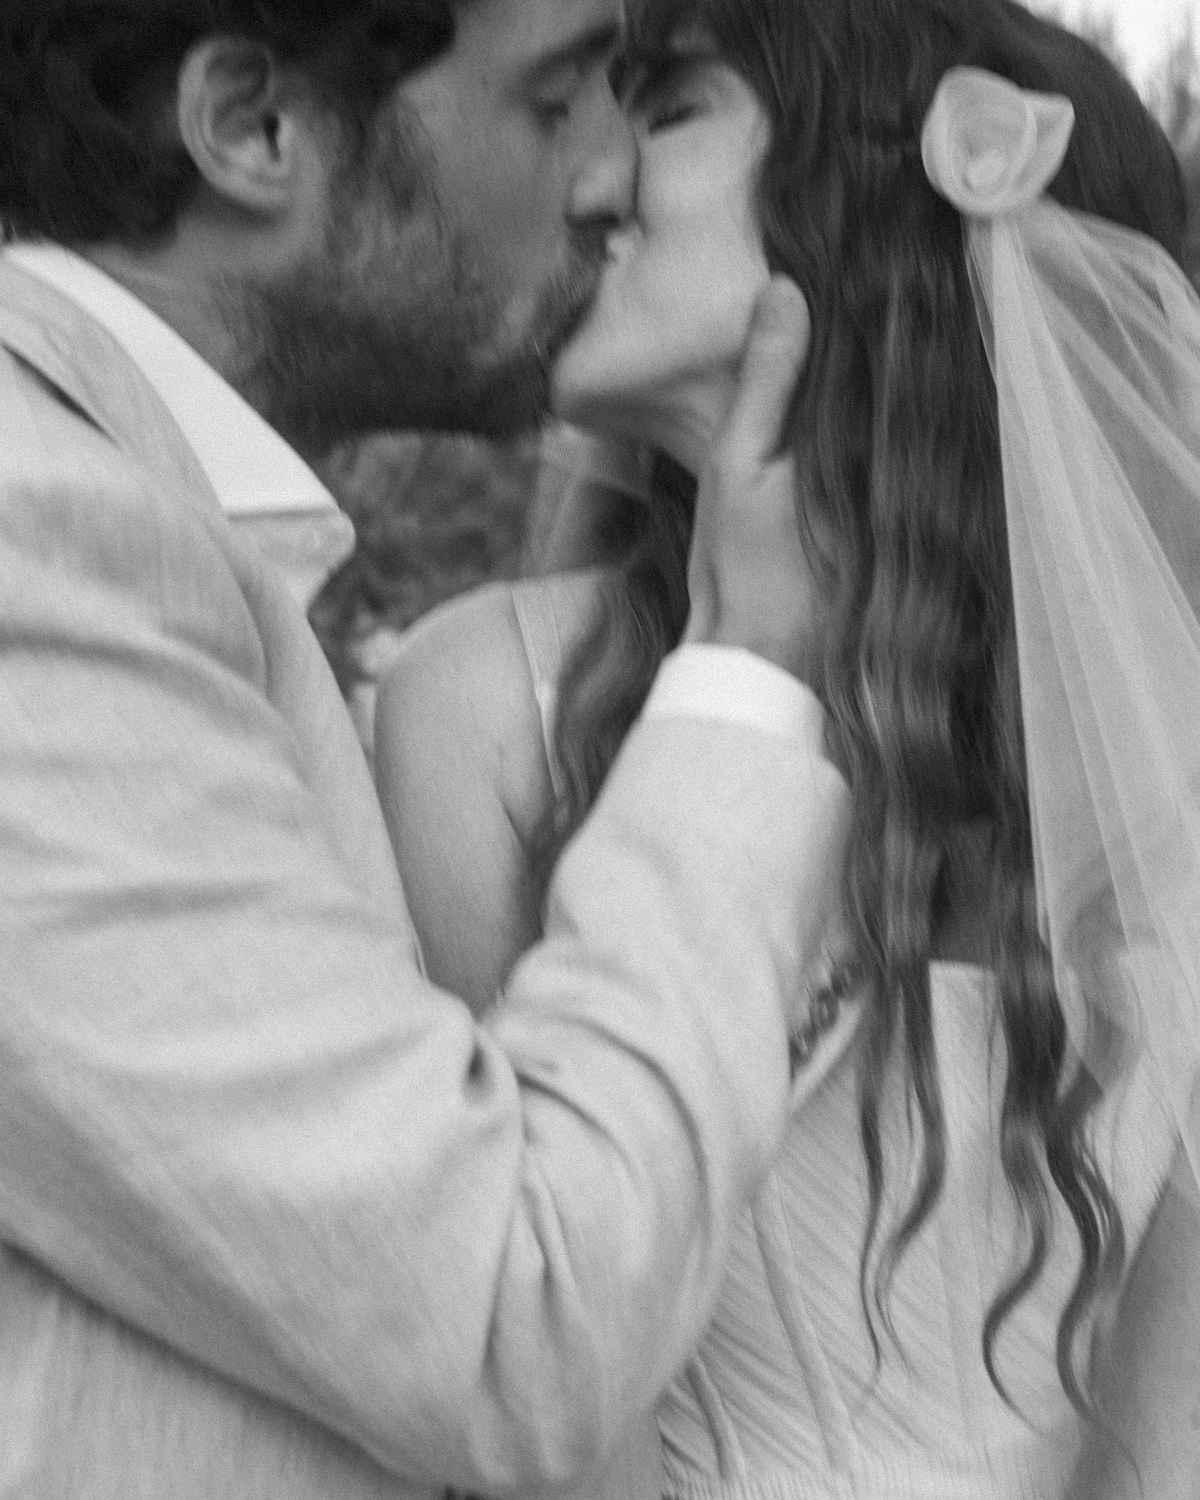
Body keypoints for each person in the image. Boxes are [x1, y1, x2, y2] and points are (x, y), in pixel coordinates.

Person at [0, 0, 854, 1494]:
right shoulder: (38, 534)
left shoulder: (130, 513)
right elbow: (516, 1319)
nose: (610, 176)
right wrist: (746, 670)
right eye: (554, 100)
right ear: (254, 129)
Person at [375, 0, 1200, 1494]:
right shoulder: (491, 701)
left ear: (871, 207)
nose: (592, 182)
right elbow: (546, 1363)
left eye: (670, 110)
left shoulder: (1162, 722)